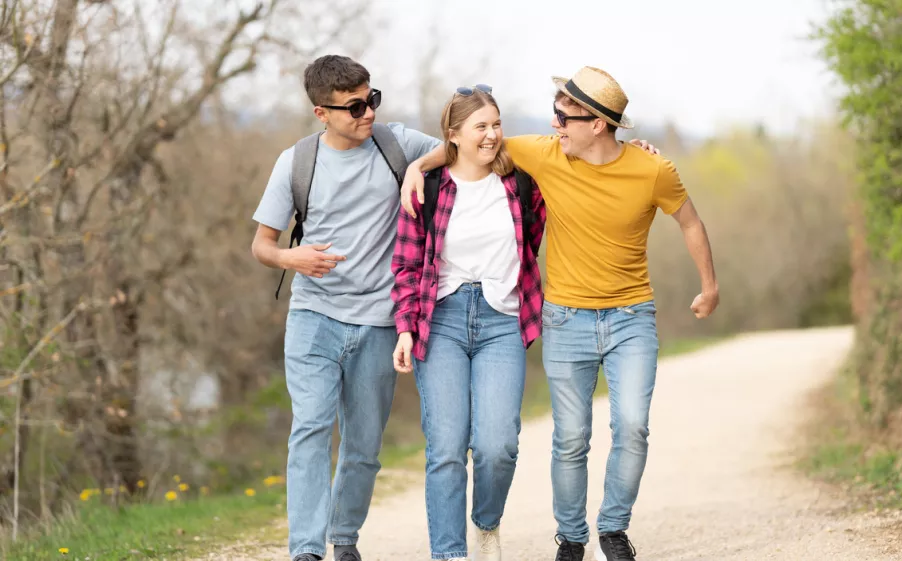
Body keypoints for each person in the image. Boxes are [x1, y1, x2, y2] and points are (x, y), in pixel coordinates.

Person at [401, 66, 720, 561]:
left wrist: (709, 286)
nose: (554, 124)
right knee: (543, 440)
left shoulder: (632, 170)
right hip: (531, 319)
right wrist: (415, 167)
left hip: (595, 317)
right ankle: (547, 540)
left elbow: (689, 219)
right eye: (553, 115)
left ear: (596, 124)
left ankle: (605, 528)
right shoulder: (531, 158)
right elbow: (463, 150)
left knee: (613, 428)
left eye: (563, 116)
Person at [250, 54, 441, 561]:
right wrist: (293, 256)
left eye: (371, 99)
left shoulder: (397, 144)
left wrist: (420, 167)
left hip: (380, 322)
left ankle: (344, 539)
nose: (368, 113)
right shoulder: (297, 162)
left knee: (362, 448)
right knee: (310, 429)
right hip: (314, 317)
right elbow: (262, 245)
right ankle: (306, 550)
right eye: (354, 107)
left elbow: (466, 147)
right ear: (322, 113)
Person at [390, 84, 546, 561]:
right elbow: (406, 264)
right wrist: (404, 327)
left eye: (497, 124)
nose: (492, 135)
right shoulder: (429, 189)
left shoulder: (521, 184)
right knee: (446, 449)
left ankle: (486, 522)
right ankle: (450, 554)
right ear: (453, 135)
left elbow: (534, 240)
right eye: (481, 126)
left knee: (498, 444)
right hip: (442, 321)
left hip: (502, 319)